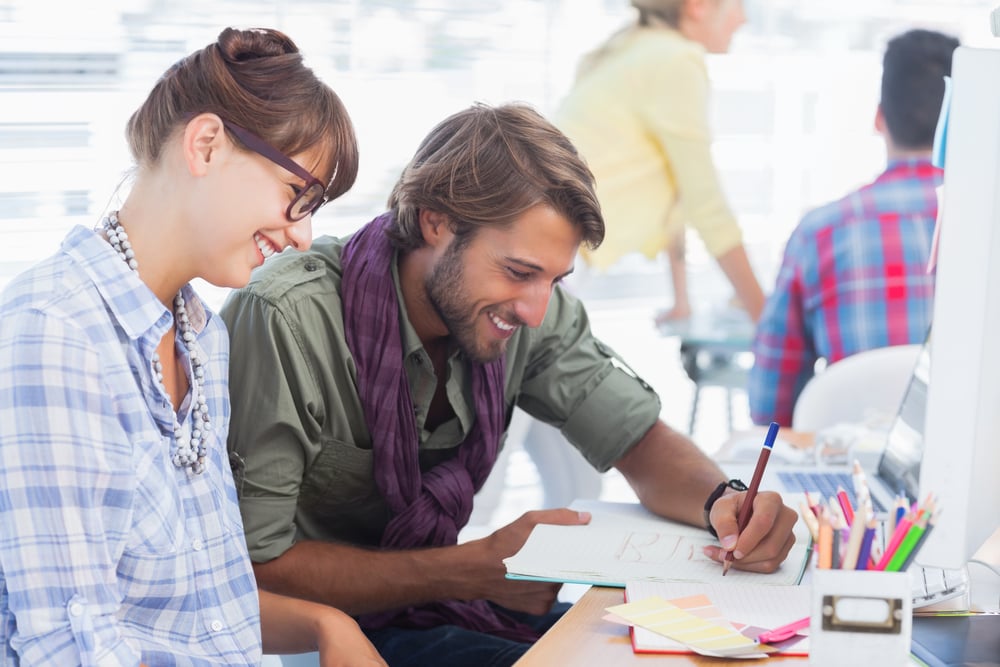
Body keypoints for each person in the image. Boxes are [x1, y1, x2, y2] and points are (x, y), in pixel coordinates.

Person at [220, 101, 798, 667]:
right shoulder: (286, 320)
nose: (536, 310)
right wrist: (472, 569)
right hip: (325, 639)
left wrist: (724, 502)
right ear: (435, 221)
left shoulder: (521, 314)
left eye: (555, 279)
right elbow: (256, 568)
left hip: (449, 608)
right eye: (519, 273)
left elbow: (636, 437)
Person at [0, 27, 386, 666]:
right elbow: (73, 648)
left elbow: (203, 609)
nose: (302, 237)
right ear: (206, 144)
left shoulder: (202, 337)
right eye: (298, 198)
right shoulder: (56, 336)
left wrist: (328, 626)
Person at [748, 28, 959, 427]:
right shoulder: (986, 223)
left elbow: (769, 405)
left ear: (880, 118)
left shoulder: (820, 234)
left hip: (849, 477)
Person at [554, 0, 765, 325]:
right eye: (738, 4)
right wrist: (768, 320)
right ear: (699, 6)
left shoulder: (636, 45)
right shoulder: (676, 59)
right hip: (555, 254)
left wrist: (682, 301)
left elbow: (677, 188)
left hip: (548, 243)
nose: (742, 18)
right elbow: (707, 206)